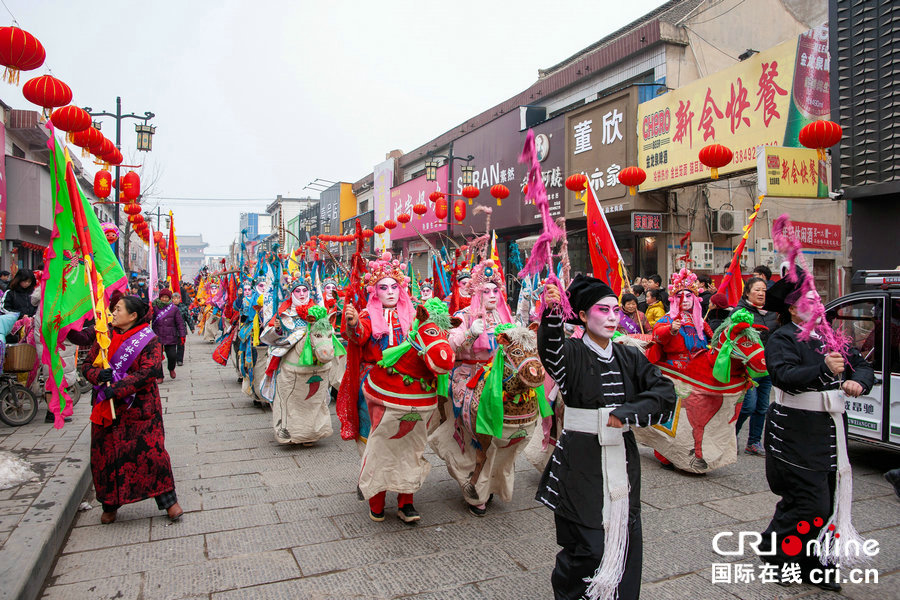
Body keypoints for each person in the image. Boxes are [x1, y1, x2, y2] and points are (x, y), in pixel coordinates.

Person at [536, 275, 675, 600]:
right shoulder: (570, 353)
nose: (613, 316)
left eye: (616, 309)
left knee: (626, 538)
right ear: (583, 316)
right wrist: (553, 311)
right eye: (603, 309)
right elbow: (550, 349)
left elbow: (664, 391)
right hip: (580, 461)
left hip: (622, 459)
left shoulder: (629, 357)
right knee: (588, 547)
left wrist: (628, 412)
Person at [759, 269, 874, 592]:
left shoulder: (830, 335)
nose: (819, 304)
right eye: (811, 299)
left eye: (819, 298)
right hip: (794, 432)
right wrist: (823, 368)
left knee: (825, 500)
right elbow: (784, 376)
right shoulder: (781, 338)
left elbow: (862, 365)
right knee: (810, 503)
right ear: (794, 309)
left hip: (830, 431)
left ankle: (814, 564)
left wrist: (858, 382)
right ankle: (779, 554)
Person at [82, 293, 183, 525]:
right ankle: (109, 505)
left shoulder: (149, 340)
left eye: (118, 309)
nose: (113, 313)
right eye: (113, 309)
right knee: (106, 458)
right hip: (108, 410)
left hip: (140, 410)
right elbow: (87, 365)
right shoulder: (103, 336)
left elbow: (149, 371)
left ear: (133, 316)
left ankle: (169, 502)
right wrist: (98, 375)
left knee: (153, 455)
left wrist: (117, 387)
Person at [340, 252, 419, 522]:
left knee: (408, 442)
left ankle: (406, 500)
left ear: (401, 289)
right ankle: (377, 497)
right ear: (374, 291)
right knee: (378, 444)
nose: (389, 292)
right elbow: (358, 335)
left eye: (394, 287)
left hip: (407, 386)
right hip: (374, 387)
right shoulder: (366, 315)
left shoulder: (414, 314)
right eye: (383, 287)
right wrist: (351, 322)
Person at [433, 258, 514, 516]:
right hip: (468, 375)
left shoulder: (505, 316)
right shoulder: (463, 316)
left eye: (495, 290)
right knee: (475, 430)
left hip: (498, 376)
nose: (492, 295)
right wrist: (469, 333)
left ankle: (492, 481)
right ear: (475, 293)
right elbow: (449, 346)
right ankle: (475, 483)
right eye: (485, 291)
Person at [733, 277, 777, 456]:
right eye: (757, 290)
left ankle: (754, 442)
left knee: (762, 407)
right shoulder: (740, 312)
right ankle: (731, 435)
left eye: (764, 290)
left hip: (768, 367)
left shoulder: (773, 313)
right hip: (748, 368)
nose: (761, 293)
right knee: (748, 406)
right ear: (747, 292)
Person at [151, 288, 187, 380]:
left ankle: (171, 368)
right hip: (157, 336)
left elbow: (180, 323)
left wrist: (182, 335)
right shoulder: (154, 307)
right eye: (162, 297)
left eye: (166, 297)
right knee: (157, 358)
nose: (164, 299)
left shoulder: (174, 308)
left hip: (170, 336)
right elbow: (148, 318)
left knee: (172, 356)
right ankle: (160, 376)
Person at [172, 293, 193, 367]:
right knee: (172, 346)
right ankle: (173, 359)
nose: (175, 300)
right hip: (172, 330)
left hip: (182, 329)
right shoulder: (169, 308)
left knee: (181, 345)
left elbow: (188, 318)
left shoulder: (183, 307)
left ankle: (180, 360)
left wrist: (192, 327)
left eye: (177, 298)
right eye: (174, 299)